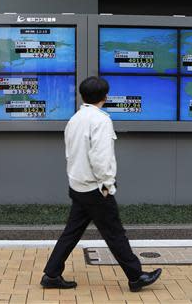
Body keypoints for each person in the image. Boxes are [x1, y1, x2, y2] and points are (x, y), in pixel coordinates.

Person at [40, 76, 162, 292]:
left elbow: (71, 154)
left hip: (78, 186)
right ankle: (136, 277)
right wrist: (107, 185)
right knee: (114, 233)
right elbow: (101, 158)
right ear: (105, 97)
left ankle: (51, 274)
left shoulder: (75, 119)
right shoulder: (101, 120)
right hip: (96, 188)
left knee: (72, 232)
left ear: (82, 95)